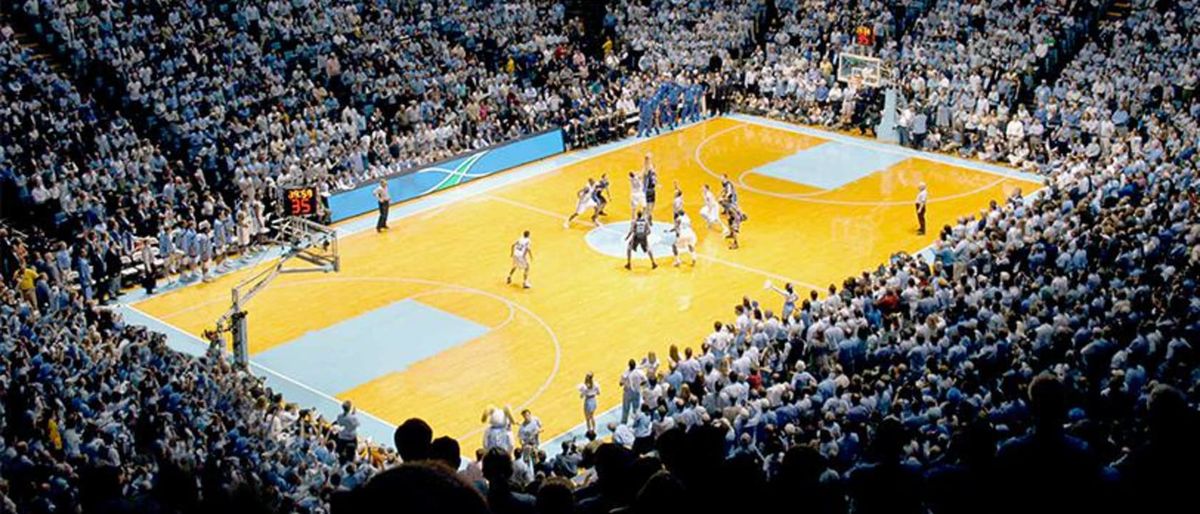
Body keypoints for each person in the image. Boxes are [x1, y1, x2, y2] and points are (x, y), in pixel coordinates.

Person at [619, 359, 646, 424]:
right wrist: (639, 385)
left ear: (629, 366)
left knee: (626, 409)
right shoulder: (639, 372)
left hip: (628, 392)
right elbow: (645, 380)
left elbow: (620, 383)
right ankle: (636, 422)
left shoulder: (625, 373)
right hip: (636, 392)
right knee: (636, 409)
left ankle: (623, 423)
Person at [643, 155, 658, 222]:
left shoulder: (654, 174)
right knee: (647, 206)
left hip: (652, 190)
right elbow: (646, 166)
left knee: (652, 205)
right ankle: (645, 217)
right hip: (647, 191)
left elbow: (655, 181)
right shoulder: (647, 173)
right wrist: (647, 159)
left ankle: (649, 215)